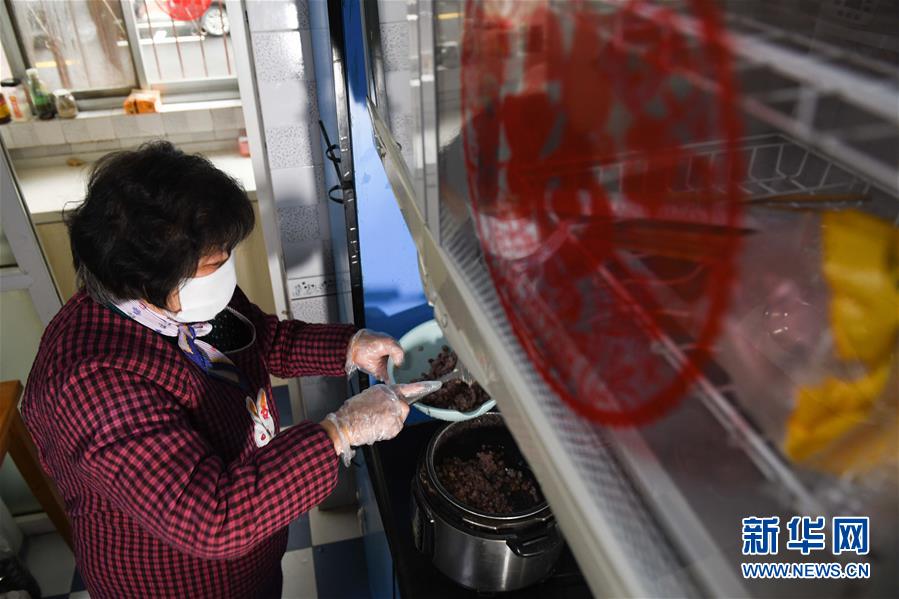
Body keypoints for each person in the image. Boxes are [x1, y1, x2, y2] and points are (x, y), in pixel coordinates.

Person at [20, 141, 438, 598]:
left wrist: (350, 347)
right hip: (177, 582)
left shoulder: (180, 297)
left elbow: (261, 339)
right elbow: (215, 520)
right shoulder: (89, 383)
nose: (226, 268)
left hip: (252, 551)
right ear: (144, 278)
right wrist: (341, 432)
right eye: (214, 262)